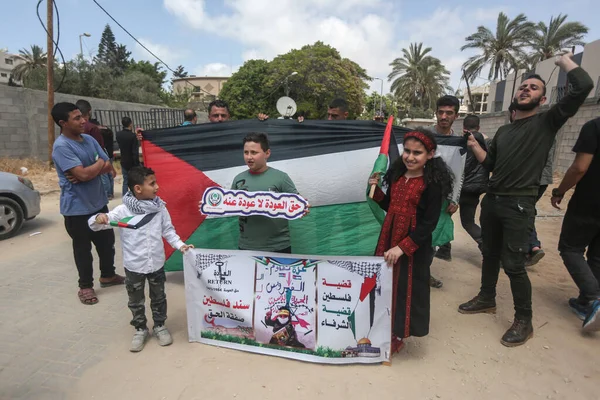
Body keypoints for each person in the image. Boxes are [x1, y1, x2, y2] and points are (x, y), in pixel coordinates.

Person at [459, 52, 593, 347]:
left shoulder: (547, 122)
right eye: (523, 87)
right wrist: (472, 145)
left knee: (514, 264)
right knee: (490, 254)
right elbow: (489, 163)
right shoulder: (504, 130)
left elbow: (583, 85)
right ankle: (486, 298)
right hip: (493, 201)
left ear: (543, 100)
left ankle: (525, 320)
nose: (525, 90)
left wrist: (563, 62)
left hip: (518, 205)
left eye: (533, 88)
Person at [89, 166, 194, 351]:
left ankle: (160, 326)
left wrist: (181, 245)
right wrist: (99, 218)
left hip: (156, 264)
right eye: (152, 183)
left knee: (159, 298)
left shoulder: (160, 208)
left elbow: (169, 232)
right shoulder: (122, 211)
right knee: (135, 300)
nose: (157, 187)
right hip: (134, 266)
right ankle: (140, 329)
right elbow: (96, 225)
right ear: (138, 188)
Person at [369, 129, 453, 353]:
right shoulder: (398, 176)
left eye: (418, 152)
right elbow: (391, 207)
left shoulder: (432, 184)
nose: (410, 157)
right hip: (387, 238)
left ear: (430, 154)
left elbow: (429, 224)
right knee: (384, 284)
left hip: (413, 246)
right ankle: (379, 328)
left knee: (404, 288)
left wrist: (402, 248)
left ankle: (397, 335)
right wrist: (376, 192)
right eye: (407, 151)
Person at [51, 102, 122, 306]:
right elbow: (83, 174)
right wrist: (95, 166)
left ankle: (108, 276)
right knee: (83, 250)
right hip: (76, 210)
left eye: (82, 116)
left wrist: (92, 169)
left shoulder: (89, 139)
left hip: (98, 203)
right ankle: (85, 286)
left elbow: (107, 163)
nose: (83, 121)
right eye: (76, 118)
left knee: (107, 244)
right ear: (63, 123)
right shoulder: (62, 147)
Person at [552, 115, 600, 332]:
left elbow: (579, 167)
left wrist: (560, 191)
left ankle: (593, 298)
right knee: (597, 255)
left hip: (590, 201)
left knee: (570, 248)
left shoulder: (594, 126)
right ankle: (584, 302)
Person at [229, 133, 302, 253]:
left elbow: (297, 202)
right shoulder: (238, 179)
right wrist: (211, 205)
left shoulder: (281, 178)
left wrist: (302, 207)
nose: (249, 157)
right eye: (246, 152)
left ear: (267, 153)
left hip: (279, 247)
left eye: (254, 152)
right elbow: (228, 205)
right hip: (246, 247)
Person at [427, 95, 462, 265]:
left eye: (449, 113)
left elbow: (459, 173)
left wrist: (455, 199)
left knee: (434, 235)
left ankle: (424, 273)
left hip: (442, 198)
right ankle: (418, 274)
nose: (443, 117)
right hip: (420, 194)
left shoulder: (459, 142)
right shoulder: (423, 135)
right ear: (435, 113)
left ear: (456, 116)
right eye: (440, 112)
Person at [460, 115, 489, 253]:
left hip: (463, 187)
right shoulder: (486, 142)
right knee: (469, 221)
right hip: (477, 188)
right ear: (478, 127)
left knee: (465, 222)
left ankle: (487, 245)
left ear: (464, 128)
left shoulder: (464, 143)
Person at [116, 116, 140, 197]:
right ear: (131, 124)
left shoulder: (118, 134)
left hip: (123, 160)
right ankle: (134, 196)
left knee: (125, 181)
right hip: (132, 162)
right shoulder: (133, 136)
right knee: (134, 181)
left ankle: (124, 196)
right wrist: (137, 163)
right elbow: (135, 151)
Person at [98, 122, 115, 200]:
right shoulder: (109, 133)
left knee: (104, 176)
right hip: (110, 155)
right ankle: (111, 192)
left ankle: (108, 194)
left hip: (105, 156)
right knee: (110, 175)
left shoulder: (101, 135)